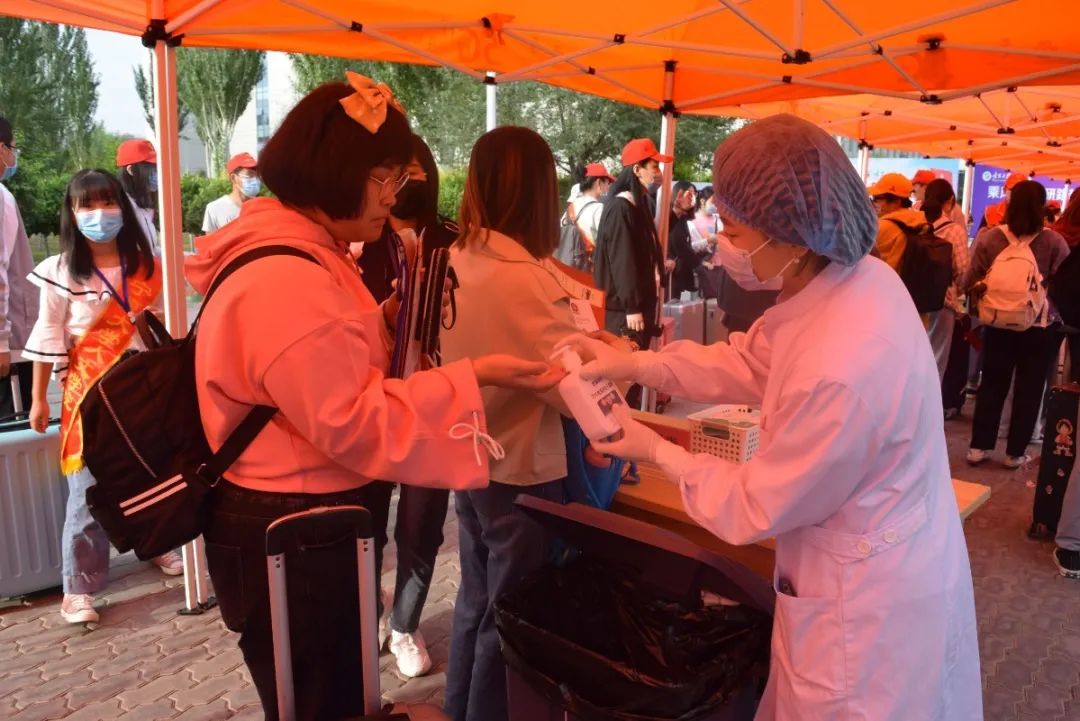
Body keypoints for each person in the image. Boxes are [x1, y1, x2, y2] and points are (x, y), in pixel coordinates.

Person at [559, 113, 982, 721]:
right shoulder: (851, 281)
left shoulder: (842, 364)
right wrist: (635, 364)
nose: (723, 243)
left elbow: (754, 504)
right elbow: (750, 360)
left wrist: (656, 450)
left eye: (733, 229)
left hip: (865, 613)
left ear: (793, 234)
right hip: (882, 560)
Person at [185, 76, 557, 721]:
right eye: (384, 178)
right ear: (336, 172)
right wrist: (475, 376)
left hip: (303, 515)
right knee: (323, 698)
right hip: (294, 524)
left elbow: (320, 372)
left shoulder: (303, 254)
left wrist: (383, 323)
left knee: (332, 690)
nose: (394, 195)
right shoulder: (288, 275)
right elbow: (352, 420)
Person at [440, 126, 578, 721]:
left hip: (469, 456)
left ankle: (457, 709)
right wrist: (615, 357)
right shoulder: (527, 278)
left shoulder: (454, 259)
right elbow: (573, 391)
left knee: (475, 603)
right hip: (520, 465)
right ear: (540, 193)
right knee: (509, 619)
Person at [23, 169, 182, 626]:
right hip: (89, 387)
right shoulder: (59, 271)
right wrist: (39, 398)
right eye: (87, 205)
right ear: (72, 214)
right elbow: (48, 333)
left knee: (151, 472)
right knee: (88, 488)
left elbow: (161, 324)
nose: (99, 213)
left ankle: (156, 544)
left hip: (141, 384)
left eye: (107, 202)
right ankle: (77, 587)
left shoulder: (147, 265)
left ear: (123, 207)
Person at [361, 133, 464, 679]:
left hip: (433, 407)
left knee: (421, 527)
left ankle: (404, 623)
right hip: (372, 406)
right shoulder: (361, 241)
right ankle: (369, 606)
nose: (408, 184)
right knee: (367, 526)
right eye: (399, 175)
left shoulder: (454, 240)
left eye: (417, 172)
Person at [964, 180, 1069, 469]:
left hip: (998, 323)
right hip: (1038, 328)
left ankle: (979, 447)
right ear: (1042, 207)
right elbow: (1064, 285)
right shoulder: (1054, 242)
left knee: (992, 384)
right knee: (1029, 388)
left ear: (1008, 205)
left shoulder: (990, 238)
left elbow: (968, 279)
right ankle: (1015, 453)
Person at [593, 138, 667, 349]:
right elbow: (622, 260)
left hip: (638, 306)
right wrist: (631, 306)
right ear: (636, 170)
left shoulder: (638, 204)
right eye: (654, 167)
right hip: (624, 313)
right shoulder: (620, 207)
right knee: (626, 366)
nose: (659, 174)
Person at [0, 117, 39, 416]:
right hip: (10, 347)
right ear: (2, 150)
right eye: (13, 148)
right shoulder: (2, 199)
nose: (14, 156)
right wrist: (1, 341)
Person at [922, 179, 970, 382]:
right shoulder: (955, 230)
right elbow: (963, 271)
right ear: (950, 201)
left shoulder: (914, 222)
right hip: (942, 301)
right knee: (936, 357)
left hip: (912, 299)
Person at [868, 173, 927, 272]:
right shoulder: (920, 219)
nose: (874, 203)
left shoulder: (882, 226)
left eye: (877, 198)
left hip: (885, 279)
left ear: (896, 202)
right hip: (908, 280)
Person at [667, 180, 709, 297]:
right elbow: (679, 244)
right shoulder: (670, 216)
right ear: (678, 194)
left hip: (680, 271)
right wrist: (699, 263)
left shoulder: (683, 218)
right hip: (670, 272)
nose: (692, 198)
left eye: (694, 194)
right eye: (689, 194)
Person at [201, 152, 261, 233]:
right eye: (250, 175)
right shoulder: (214, 209)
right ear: (233, 178)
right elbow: (210, 240)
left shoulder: (262, 208)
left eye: (257, 175)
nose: (255, 180)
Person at [115, 139, 158, 250]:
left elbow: (150, 250)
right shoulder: (120, 207)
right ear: (131, 170)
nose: (157, 175)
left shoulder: (144, 206)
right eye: (153, 169)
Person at [567, 162, 614, 259]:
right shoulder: (599, 209)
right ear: (598, 183)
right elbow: (612, 242)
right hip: (593, 264)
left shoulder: (570, 207)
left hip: (571, 262)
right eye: (607, 183)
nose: (608, 187)